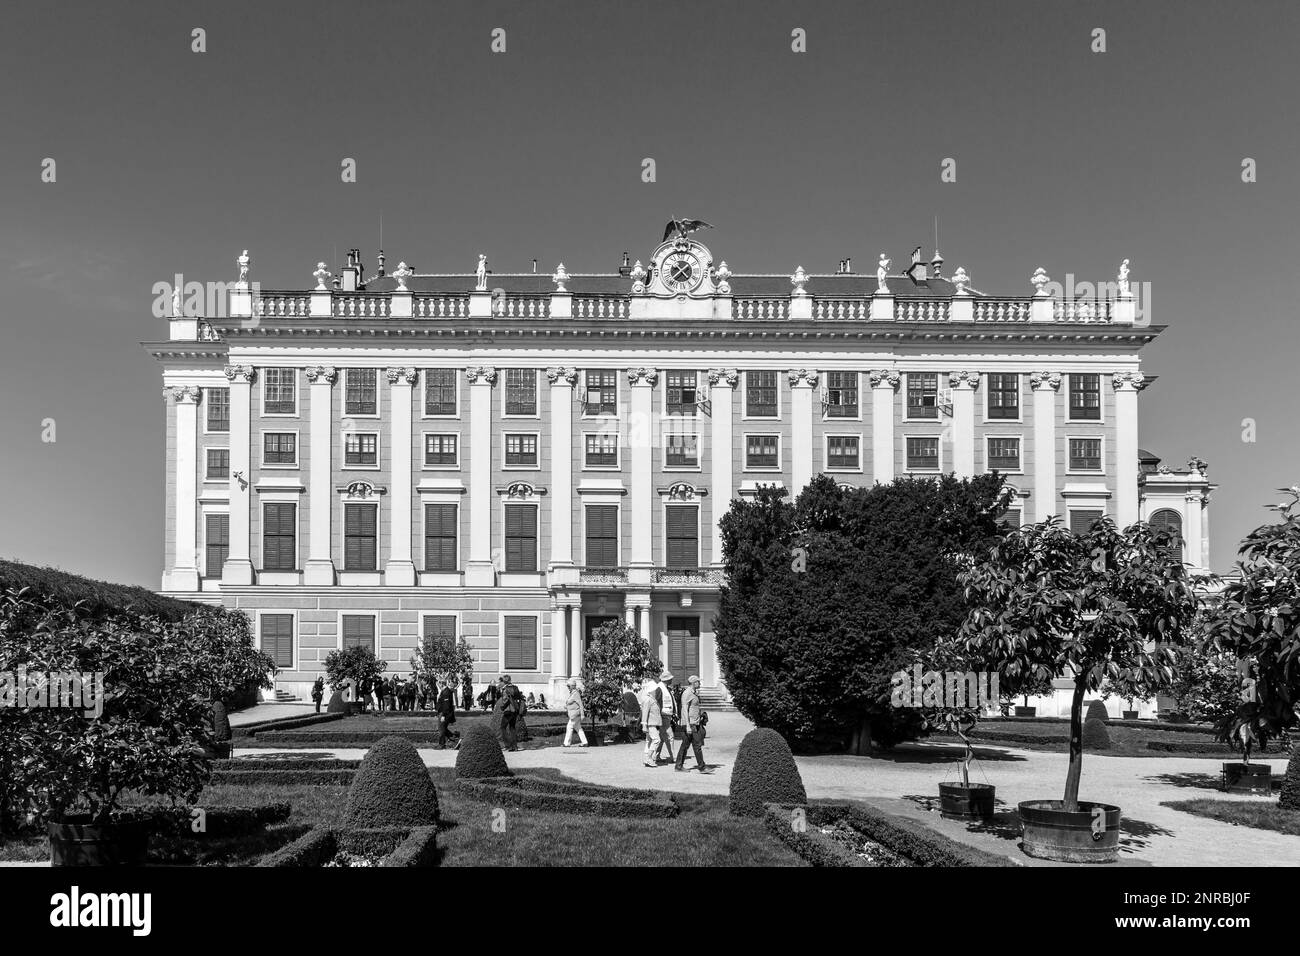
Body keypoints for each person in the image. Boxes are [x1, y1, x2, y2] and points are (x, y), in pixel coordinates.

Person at [674, 675, 711, 773]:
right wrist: (688, 726)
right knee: (696, 745)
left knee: (686, 745)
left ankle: (679, 766)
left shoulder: (694, 693)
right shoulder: (687, 693)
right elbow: (684, 710)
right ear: (694, 683)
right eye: (698, 682)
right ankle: (702, 767)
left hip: (695, 722)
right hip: (690, 724)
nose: (700, 683)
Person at [655, 671, 677, 763]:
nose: (672, 680)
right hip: (663, 715)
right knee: (670, 736)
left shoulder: (666, 688)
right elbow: (657, 703)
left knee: (662, 737)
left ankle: (655, 755)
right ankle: (673, 757)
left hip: (667, 715)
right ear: (666, 679)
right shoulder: (660, 688)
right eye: (670, 679)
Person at [641, 677, 662, 767]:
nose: (656, 691)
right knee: (656, 740)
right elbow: (645, 713)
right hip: (651, 724)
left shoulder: (653, 699)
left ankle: (646, 758)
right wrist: (644, 725)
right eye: (654, 690)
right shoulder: (648, 700)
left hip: (653, 723)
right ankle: (649, 758)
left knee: (649, 741)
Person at [563, 678, 588, 747]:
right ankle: (585, 742)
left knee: (569, 727)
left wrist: (582, 715)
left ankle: (566, 743)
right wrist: (567, 706)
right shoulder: (572, 693)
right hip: (574, 714)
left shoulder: (576, 693)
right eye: (567, 686)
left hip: (575, 714)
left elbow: (580, 704)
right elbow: (571, 703)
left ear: (573, 686)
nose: (568, 687)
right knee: (578, 728)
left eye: (569, 686)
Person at [436, 679, 459, 749]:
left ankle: (441, 745)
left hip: (444, 714)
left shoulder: (446, 692)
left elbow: (446, 706)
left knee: (441, 730)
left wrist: (443, 715)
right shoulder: (446, 691)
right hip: (443, 713)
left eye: (438, 684)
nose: (438, 685)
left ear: (441, 684)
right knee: (444, 729)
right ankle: (455, 738)